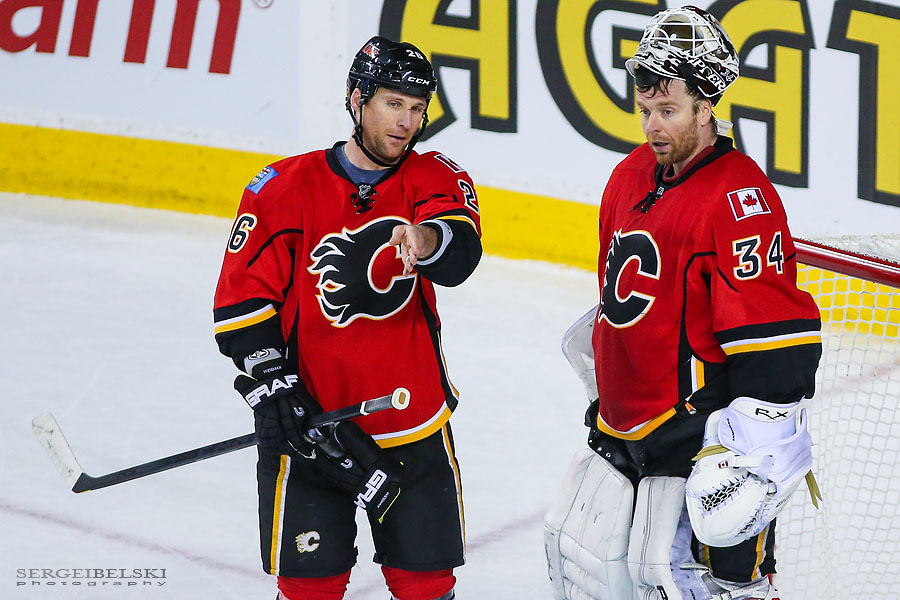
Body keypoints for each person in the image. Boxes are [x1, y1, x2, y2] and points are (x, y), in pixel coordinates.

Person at [543, 6, 822, 600]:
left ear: (706, 106)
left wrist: (754, 456)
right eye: (645, 109)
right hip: (627, 432)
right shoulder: (629, 175)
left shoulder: (740, 197)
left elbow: (773, 338)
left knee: (720, 587)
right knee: (615, 581)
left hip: (698, 443)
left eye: (668, 110)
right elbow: (621, 307)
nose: (652, 126)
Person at [213, 36, 481, 600]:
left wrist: (425, 240)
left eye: (417, 108)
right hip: (312, 424)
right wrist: (274, 383)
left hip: (412, 420)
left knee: (427, 584)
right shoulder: (283, 187)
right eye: (393, 103)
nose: (406, 122)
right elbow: (242, 300)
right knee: (310, 587)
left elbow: (459, 251)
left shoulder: (434, 176)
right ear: (358, 99)